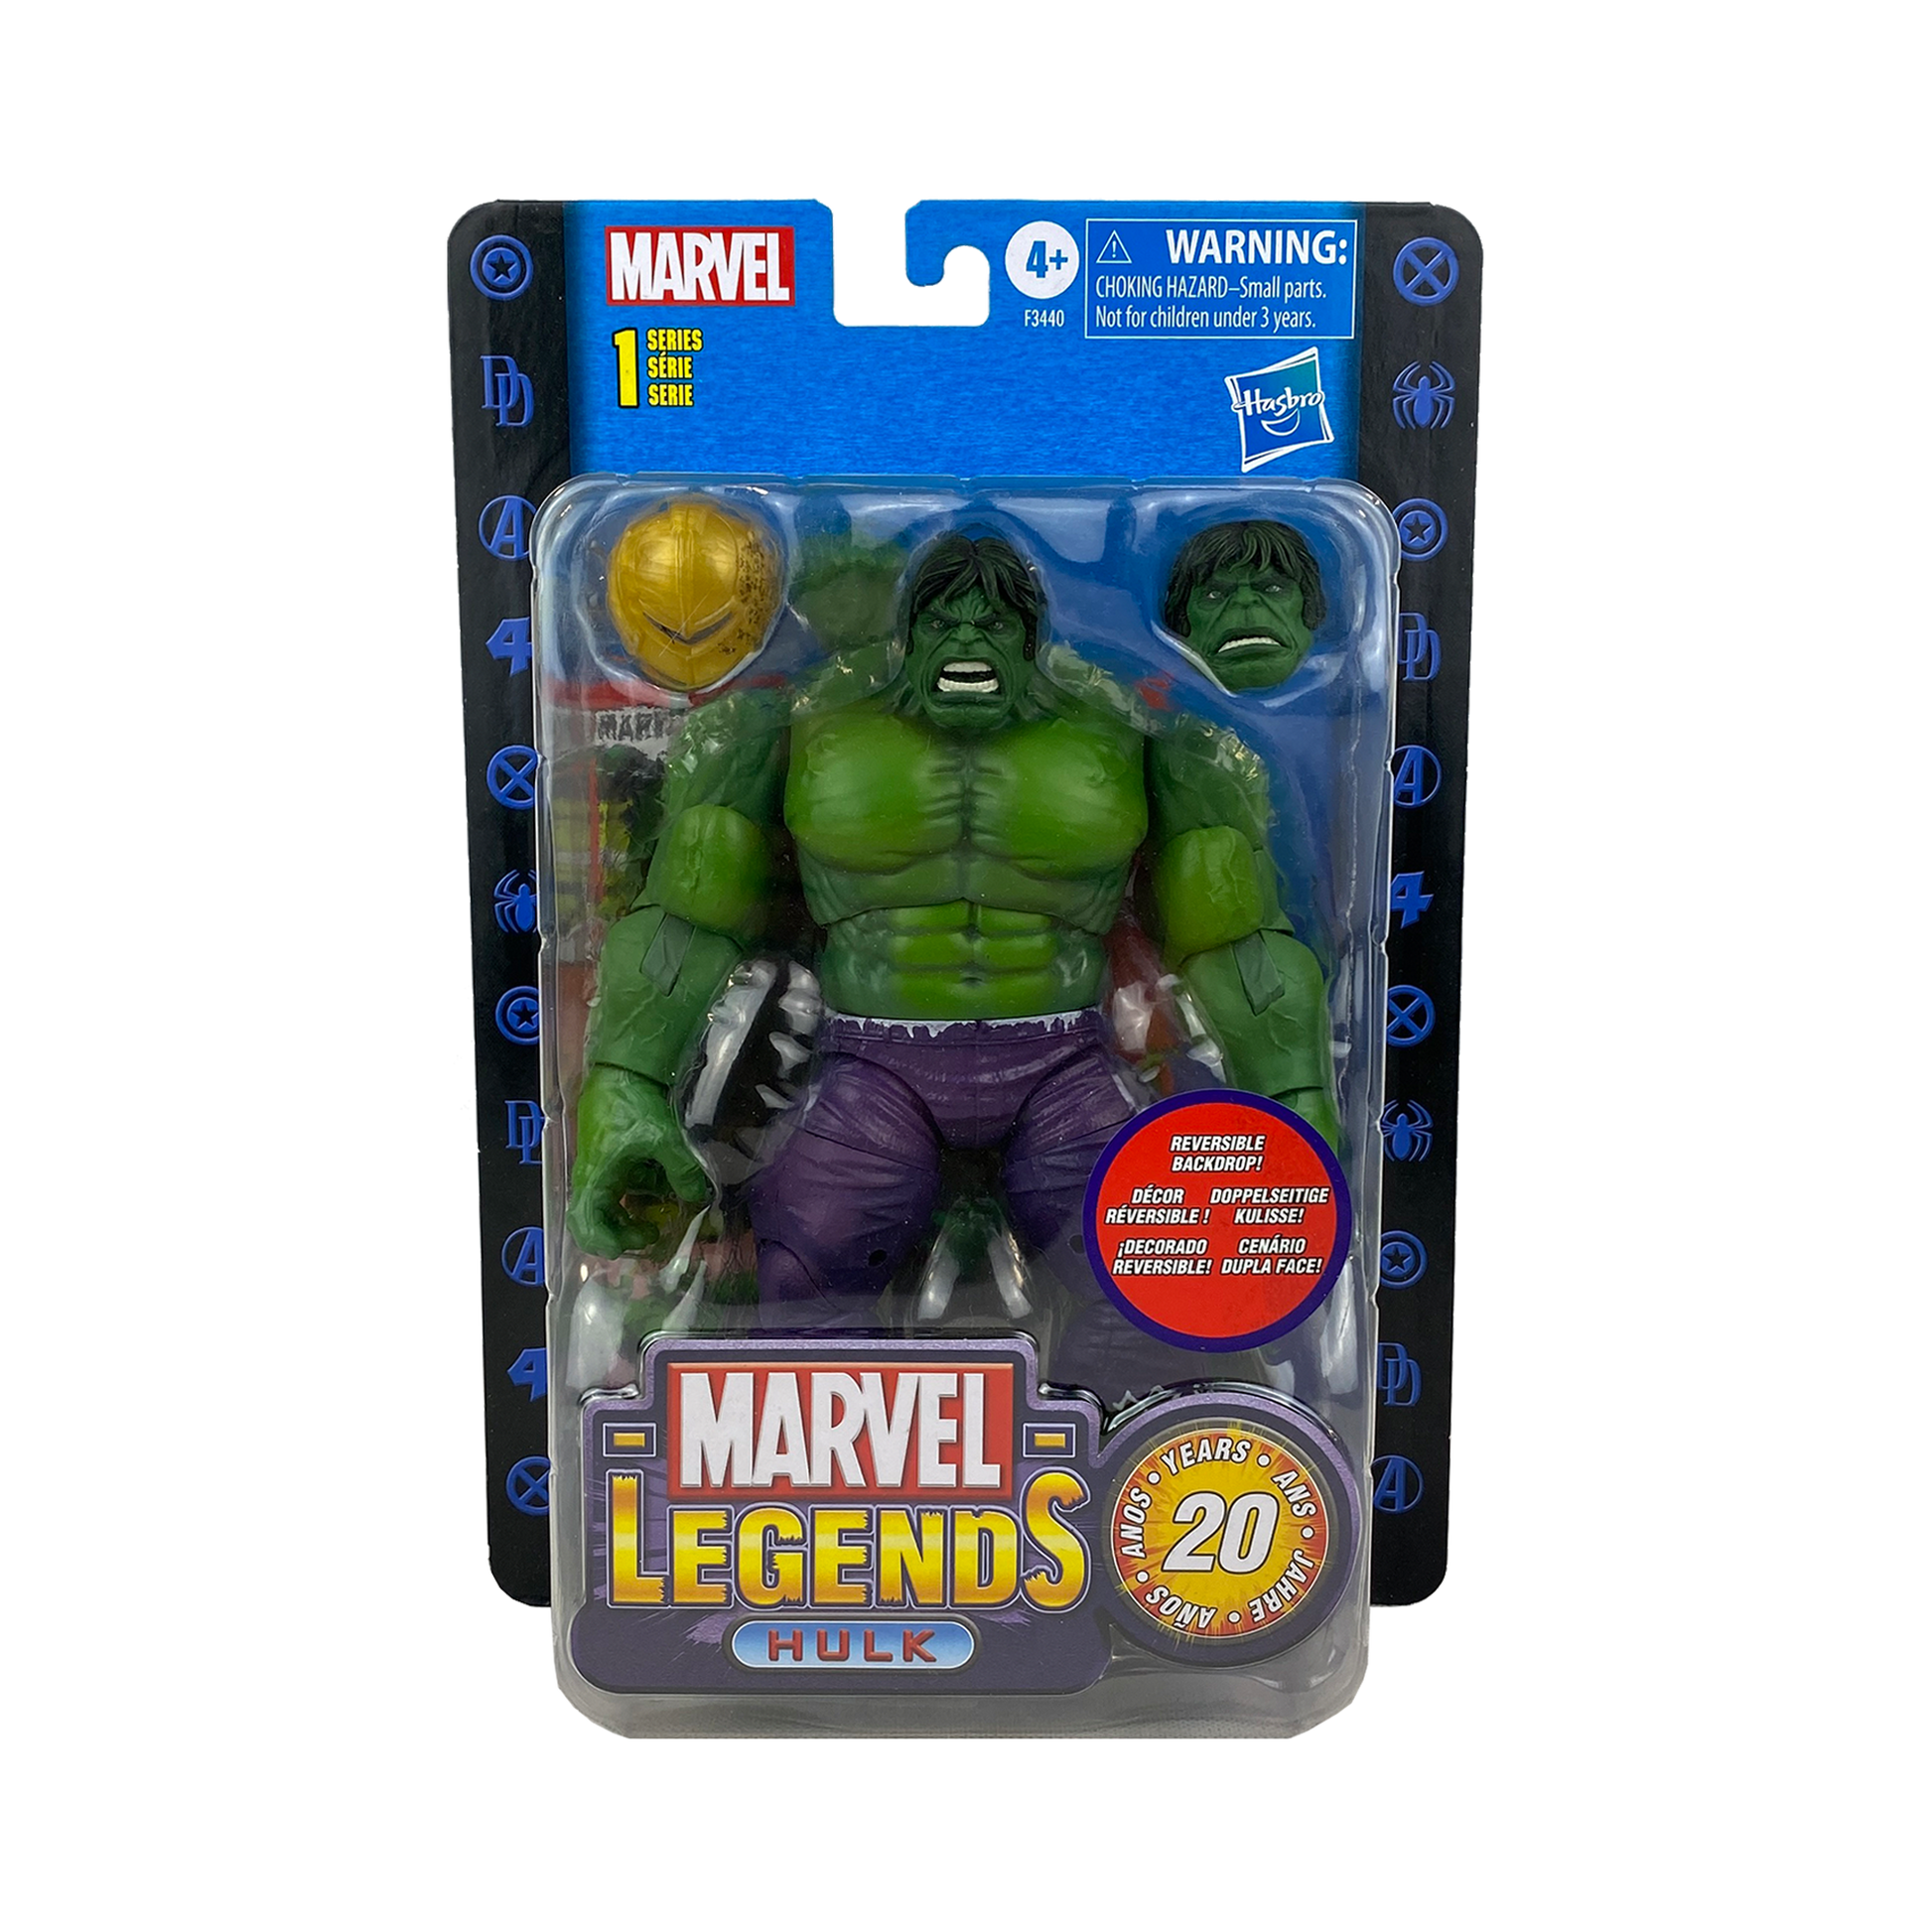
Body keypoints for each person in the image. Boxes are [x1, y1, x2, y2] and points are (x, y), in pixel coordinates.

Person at [566, 530, 1338, 1402]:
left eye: (994, 623)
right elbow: (690, 916)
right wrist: (624, 1088)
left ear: (1031, 639)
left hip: (1063, 1063)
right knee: (807, 1269)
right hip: (871, 1061)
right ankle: (837, 1461)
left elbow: (1234, 936)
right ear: (910, 634)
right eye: (945, 621)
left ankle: (1109, 1452)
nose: (968, 640)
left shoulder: (1132, 734)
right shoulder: (803, 727)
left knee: (1152, 1267)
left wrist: (1296, 1104)